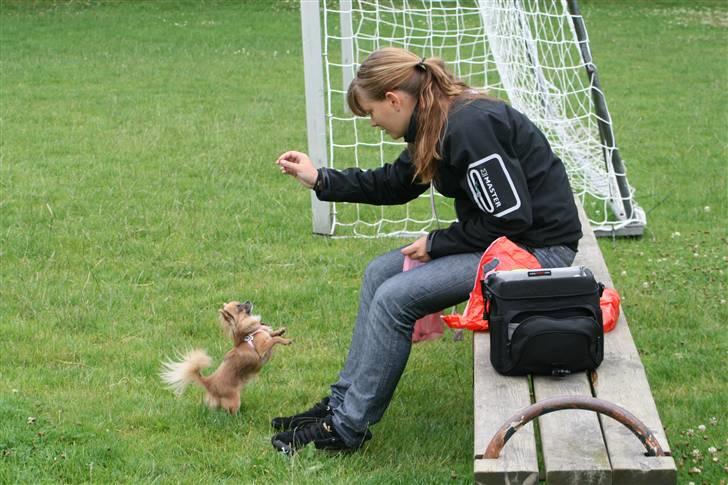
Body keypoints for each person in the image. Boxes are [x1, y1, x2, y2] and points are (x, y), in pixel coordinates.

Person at [270, 47, 582, 454]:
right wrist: (319, 179)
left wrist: (438, 244)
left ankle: (346, 428)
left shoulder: (469, 126)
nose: (373, 123)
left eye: (371, 113)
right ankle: (340, 401)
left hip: (539, 250)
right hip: (505, 242)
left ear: (394, 100)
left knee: (395, 299)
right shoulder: (434, 121)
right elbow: (395, 184)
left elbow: (512, 218)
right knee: (380, 274)